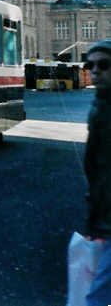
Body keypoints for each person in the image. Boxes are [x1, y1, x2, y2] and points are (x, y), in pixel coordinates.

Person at [83, 38, 111, 306]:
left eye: (104, 64)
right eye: (90, 64)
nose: (95, 70)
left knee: (97, 295)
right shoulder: (100, 105)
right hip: (105, 212)